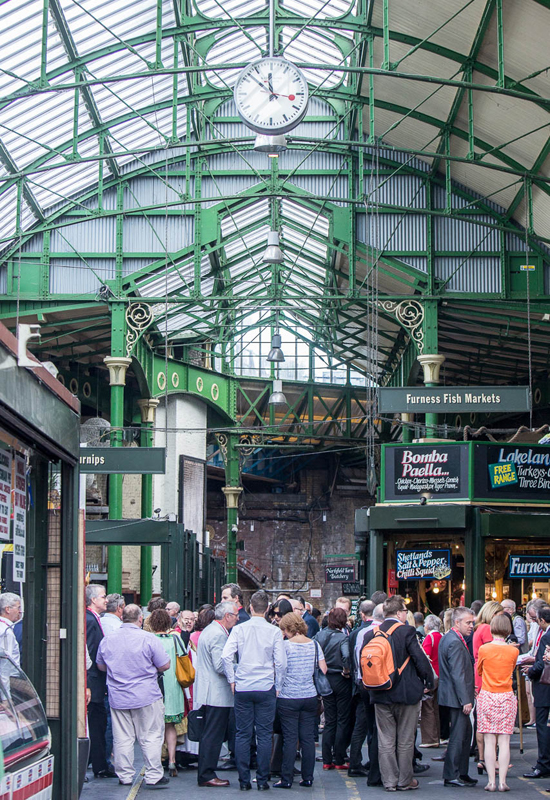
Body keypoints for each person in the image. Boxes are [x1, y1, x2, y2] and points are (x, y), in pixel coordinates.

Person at [362, 595, 434, 792]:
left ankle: (389, 781)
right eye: (405, 611)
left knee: (385, 739)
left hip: (379, 692)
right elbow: (420, 660)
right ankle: (404, 780)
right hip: (406, 694)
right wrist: (428, 681)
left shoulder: (371, 634)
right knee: (405, 739)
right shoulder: (407, 631)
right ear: (400, 613)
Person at [96, 604, 171, 789]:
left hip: (118, 695)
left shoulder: (108, 640)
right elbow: (164, 665)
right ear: (140, 619)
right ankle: (154, 775)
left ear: (122, 617)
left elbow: (101, 666)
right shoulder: (148, 639)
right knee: (151, 735)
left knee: (122, 737)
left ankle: (125, 775)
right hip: (146, 695)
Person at [222, 590, 286, 791]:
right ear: (267, 609)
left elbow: (226, 656)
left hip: (243, 685)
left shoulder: (239, 630)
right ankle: (263, 779)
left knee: (242, 733)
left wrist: (232, 679)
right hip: (266, 686)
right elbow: (281, 663)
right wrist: (279, 685)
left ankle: (243, 781)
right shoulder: (274, 631)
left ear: (250, 607)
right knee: (264, 734)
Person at [274, 612, 327, 788]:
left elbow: (279, 668)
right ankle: (308, 777)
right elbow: (323, 669)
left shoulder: (285, 646)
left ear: (289, 628)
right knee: (307, 738)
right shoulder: (314, 645)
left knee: (290, 738)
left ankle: (286, 778)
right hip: (310, 696)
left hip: (288, 697)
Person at [194, 600, 239, 787]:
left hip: (209, 691)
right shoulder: (218, 635)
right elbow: (220, 665)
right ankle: (207, 774)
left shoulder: (211, 630)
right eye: (235, 615)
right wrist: (240, 668)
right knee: (213, 735)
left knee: (209, 734)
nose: (237, 618)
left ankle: (206, 772)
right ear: (227, 616)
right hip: (216, 694)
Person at [477, 613, 518, 792]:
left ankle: (491, 782)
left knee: (488, 740)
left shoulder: (484, 649)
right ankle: (503, 782)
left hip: (487, 694)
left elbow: (479, 671)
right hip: (506, 695)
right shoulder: (514, 650)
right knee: (504, 741)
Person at [438, 606, 476, 788]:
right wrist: (465, 700)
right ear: (457, 622)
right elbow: (457, 673)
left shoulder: (450, 639)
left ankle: (461, 772)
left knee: (465, 734)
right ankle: (452, 775)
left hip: (454, 695)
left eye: (472, 622)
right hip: (457, 697)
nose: (471, 626)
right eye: (468, 622)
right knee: (459, 736)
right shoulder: (454, 641)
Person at [148, 609, 186, 778]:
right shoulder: (175, 639)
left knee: (154, 728)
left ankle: (156, 762)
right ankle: (172, 760)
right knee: (170, 726)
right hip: (173, 686)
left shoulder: (149, 639)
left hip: (154, 686)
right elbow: (184, 657)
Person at [314, 607, 351, 770]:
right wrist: (346, 671)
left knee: (330, 720)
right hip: (340, 679)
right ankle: (339, 757)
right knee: (342, 719)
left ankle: (326, 759)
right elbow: (346, 656)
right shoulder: (343, 637)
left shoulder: (319, 635)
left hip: (325, 679)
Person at [86, 584, 115, 779]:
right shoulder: (89, 621)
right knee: (96, 723)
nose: (106, 600)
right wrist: (87, 684)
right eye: (103, 596)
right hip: (93, 682)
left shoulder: (94, 619)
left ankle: (101, 764)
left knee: (99, 722)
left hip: (96, 681)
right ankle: (99, 764)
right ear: (93, 599)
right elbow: (87, 652)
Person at [473, 601, 504, 771]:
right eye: (499, 616)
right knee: (489, 720)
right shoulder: (486, 629)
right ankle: (487, 758)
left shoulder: (479, 628)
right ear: (492, 615)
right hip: (487, 676)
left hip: (480, 675)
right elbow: (492, 651)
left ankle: (482, 757)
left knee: (482, 719)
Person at [348, 600, 375, 777]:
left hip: (359, 683)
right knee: (370, 726)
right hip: (371, 684)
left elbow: (351, 658)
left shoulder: (356, 633)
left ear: (362, 614)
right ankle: (364, 762)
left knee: (361, 725)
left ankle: (356, 761)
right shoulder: (373, 632)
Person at [524, 606, 550, 780]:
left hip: (544, 686)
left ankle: (544, 763)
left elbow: (541, 662)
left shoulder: (547, 636)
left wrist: (530, 671)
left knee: (542, 726)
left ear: (542, 620)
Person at [420, 614, 443, 748]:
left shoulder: (430, 638)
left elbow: (425, 658)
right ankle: (437, 736)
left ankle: (430, 739)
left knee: (427, 708)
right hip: (440, 676)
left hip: (431, 676)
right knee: (435, 707)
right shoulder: (441, 637)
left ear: (428, 626)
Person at [0, 592, 22, 667]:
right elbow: (6, 662)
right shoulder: (6, 632)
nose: (20, 611)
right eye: (18, 607)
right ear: (8, 609)